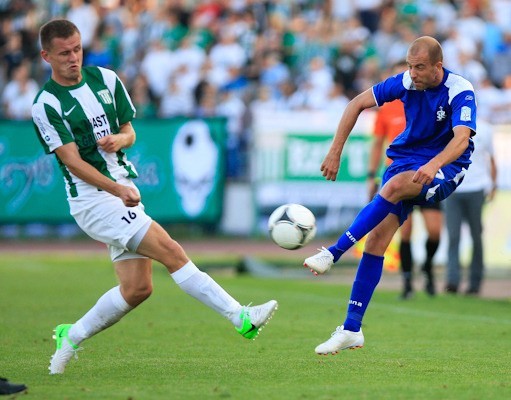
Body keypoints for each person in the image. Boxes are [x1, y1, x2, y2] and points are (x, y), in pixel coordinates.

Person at [32, 19, 278, 375]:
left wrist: (120, 140)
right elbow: (71, 161)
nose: (73, 58)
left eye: (77, 49)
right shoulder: (47, 104)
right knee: (172, 251)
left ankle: (71, 335)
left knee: (137, 289)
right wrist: (116, 189)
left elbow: (130, 131)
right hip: (93, 200)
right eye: (64, 53)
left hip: (122, 192)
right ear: (46, 56)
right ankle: (240, 316)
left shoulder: (106, 79)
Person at [303, 36, 476, 355]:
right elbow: (355, 104)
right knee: (377, 241)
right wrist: (335, 151)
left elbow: (461, 140)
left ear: (438, 66)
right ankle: (352, 329)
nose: (414, 73)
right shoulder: (405, 82)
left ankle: (334, 252)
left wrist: (435, 163)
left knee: (394, 187)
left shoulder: (460, 89)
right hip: (408, 160)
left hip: (446, 168)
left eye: (420, 67)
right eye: (410, 66)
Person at [367, 60, 443, 299]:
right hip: (398, 178)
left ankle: (428, 268)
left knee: (434, 232)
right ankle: (408, 281)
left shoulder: (425, 100)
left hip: (427, 174)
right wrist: (372, 175)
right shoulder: (386, 110)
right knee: (406, 231)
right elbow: (377, 143)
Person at [444, 119, 497, 295]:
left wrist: (493, 185)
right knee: (453, 236)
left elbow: (492, 158)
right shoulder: (448, 126)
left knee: (476, 235)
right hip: (452, 188)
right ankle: (452, 280)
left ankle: (475, 282)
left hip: (477, 187)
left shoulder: (485, 128)